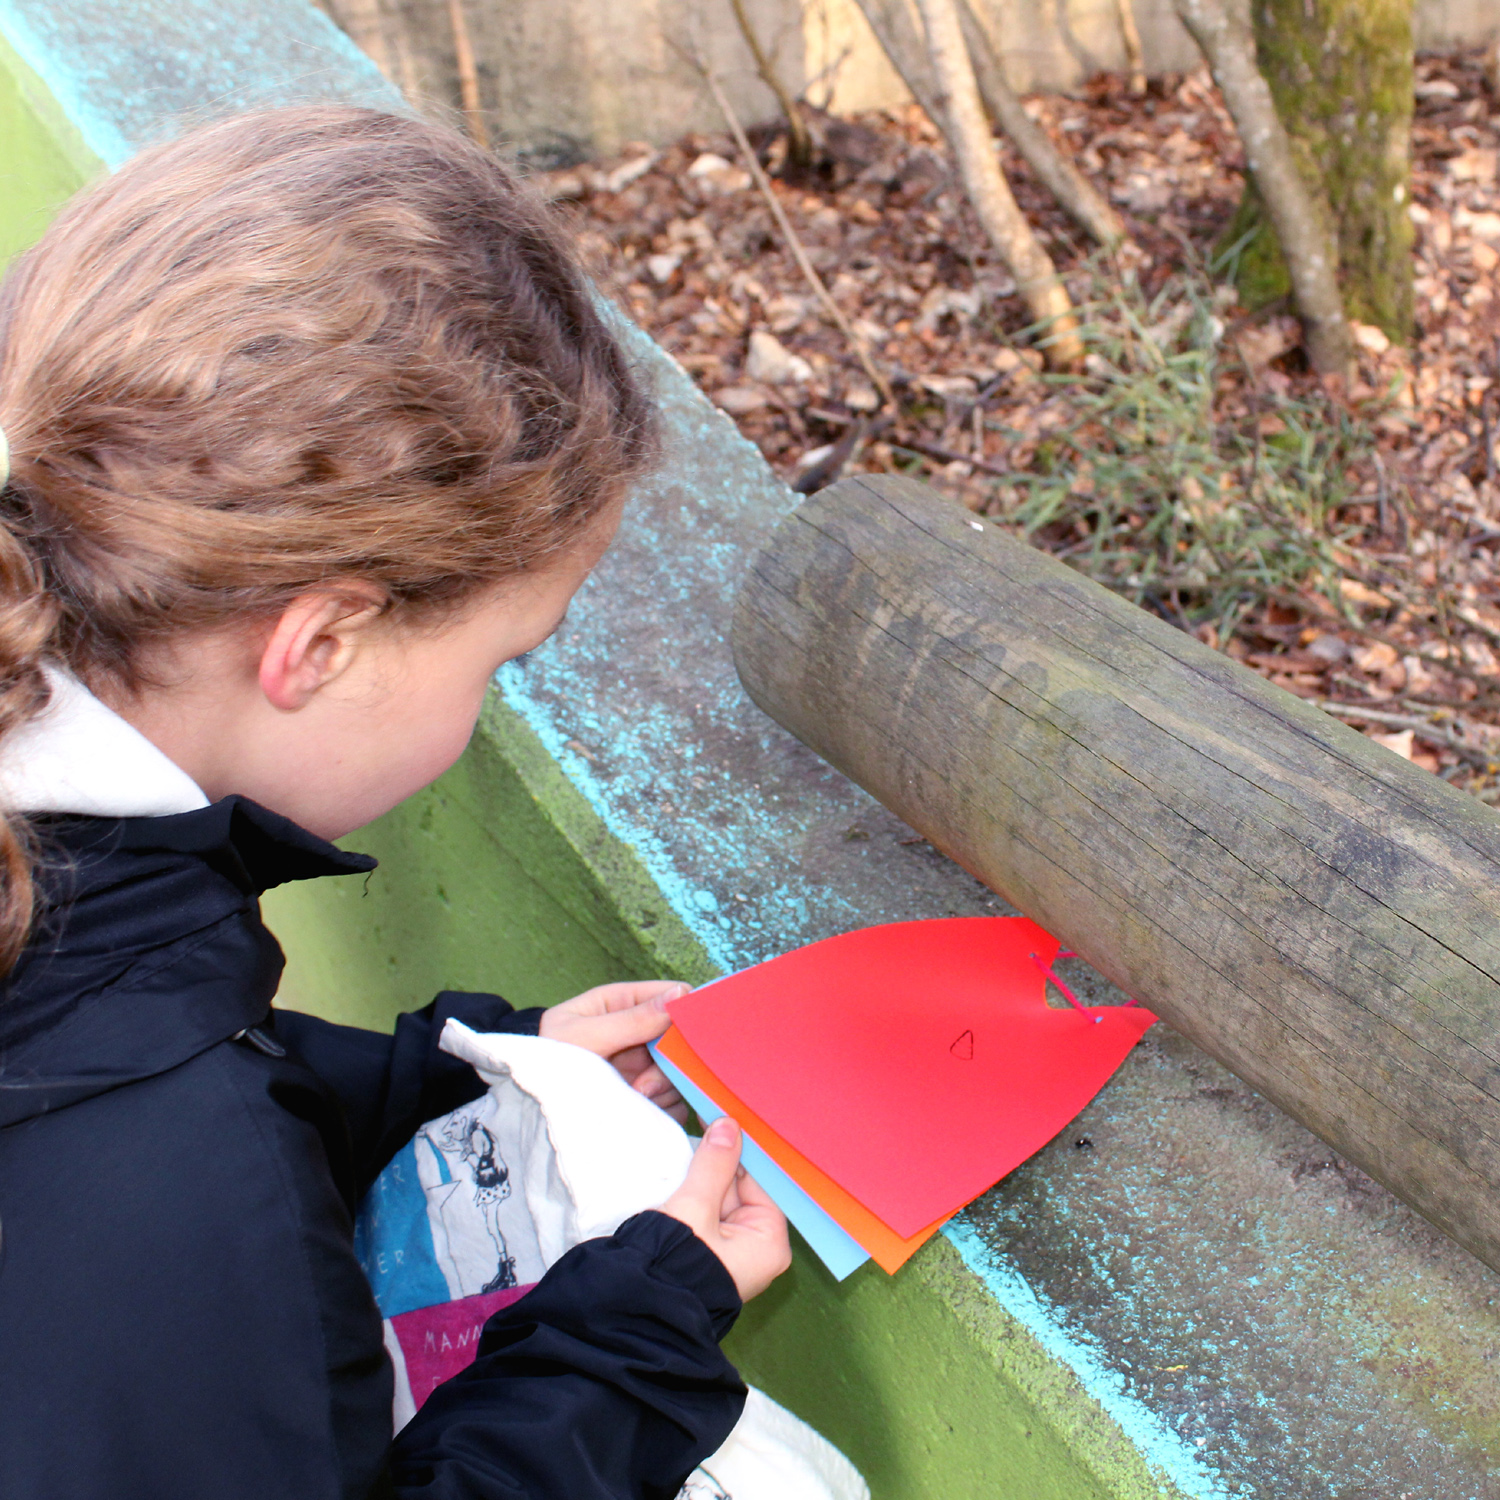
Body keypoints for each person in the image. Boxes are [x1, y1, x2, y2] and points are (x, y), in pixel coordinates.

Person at [0, 105, 790, 1500]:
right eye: (504, 658)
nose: (491, 704)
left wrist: (445, 1079)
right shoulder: (189, 1202)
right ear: (320, 645)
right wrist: (630, 1350)